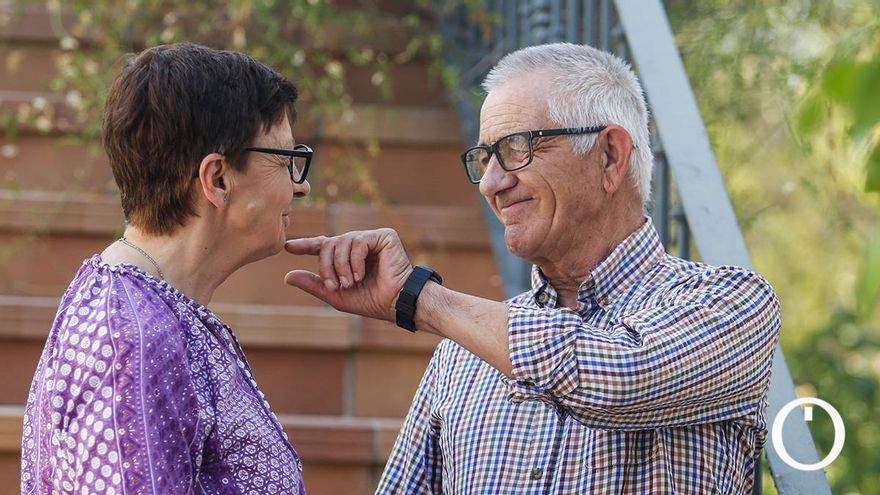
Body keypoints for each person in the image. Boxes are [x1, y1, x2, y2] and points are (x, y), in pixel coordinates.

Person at [283, 43, 780, 494]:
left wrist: (420, 298)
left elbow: (615, 378)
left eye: (516, 148)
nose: (490, 183)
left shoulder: (733, 305)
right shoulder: (462, 354)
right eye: (483, 158)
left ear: (610, 155)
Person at [22, 42, 313, 494]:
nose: (303, 187)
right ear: (217, 178)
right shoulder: (131, 340)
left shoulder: (144, 315)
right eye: (287, 162)